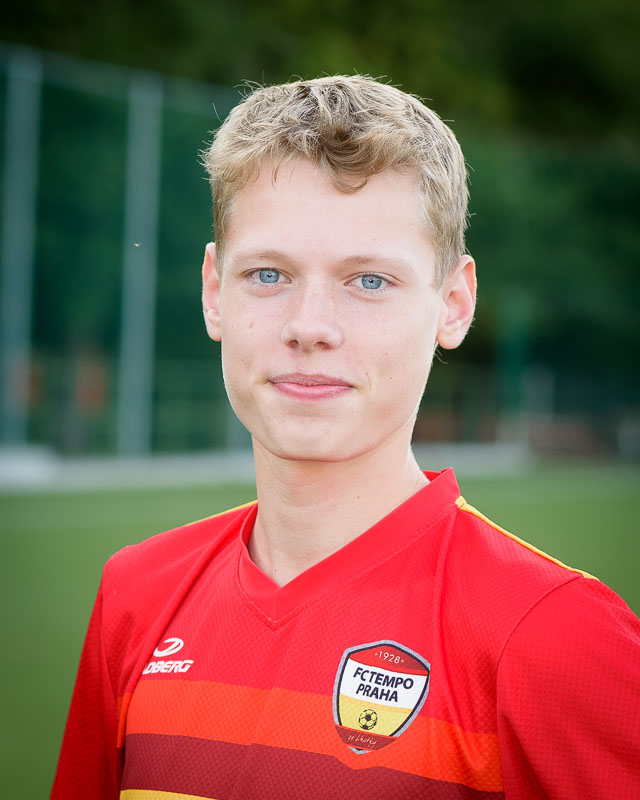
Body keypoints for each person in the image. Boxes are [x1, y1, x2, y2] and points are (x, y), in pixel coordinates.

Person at [52, 76, 640, 799]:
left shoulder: (555, 634)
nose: (309, 326)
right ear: (214, 291)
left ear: (454, 305)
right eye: (268, 274)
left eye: (369, 281)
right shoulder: (136, 595)